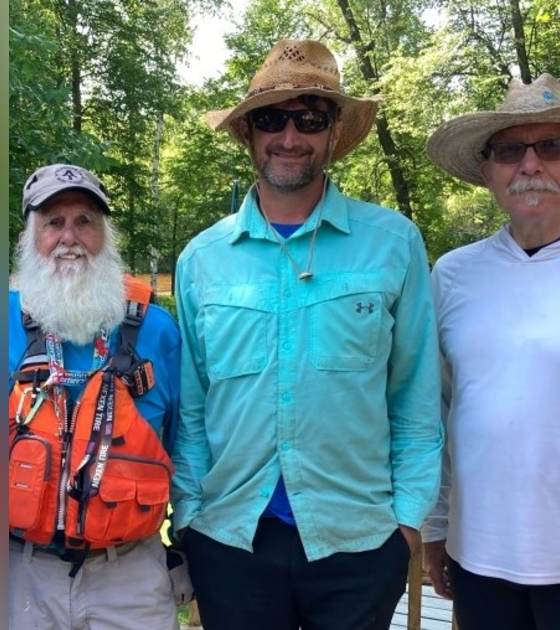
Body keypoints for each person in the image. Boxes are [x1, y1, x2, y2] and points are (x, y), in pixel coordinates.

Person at [171, 39, 443, 630]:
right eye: (271, 118)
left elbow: (416, 396)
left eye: (309, 119)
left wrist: (406, 522)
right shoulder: (202, 259)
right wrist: (188, 516)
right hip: (229, 540)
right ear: (247, 132)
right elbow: (191, 410)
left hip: (360, 542)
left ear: (331, 131)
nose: (289, 137)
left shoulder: (393, 243)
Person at [421, 74, 560, 630]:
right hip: (479, 552)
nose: (531, 164)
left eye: (553, 146)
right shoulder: (453, 276)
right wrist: (437, 526)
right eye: (510, 150)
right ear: (489, 171)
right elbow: (441, 410)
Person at [8, 163, 189, 630]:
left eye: (85, 221)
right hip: (18, 573)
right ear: (30, 237)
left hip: (129, 573)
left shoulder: (157, 331)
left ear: (106, 235)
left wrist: (189, 550)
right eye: (53, 222)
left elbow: (188, 446)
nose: (70, 236)